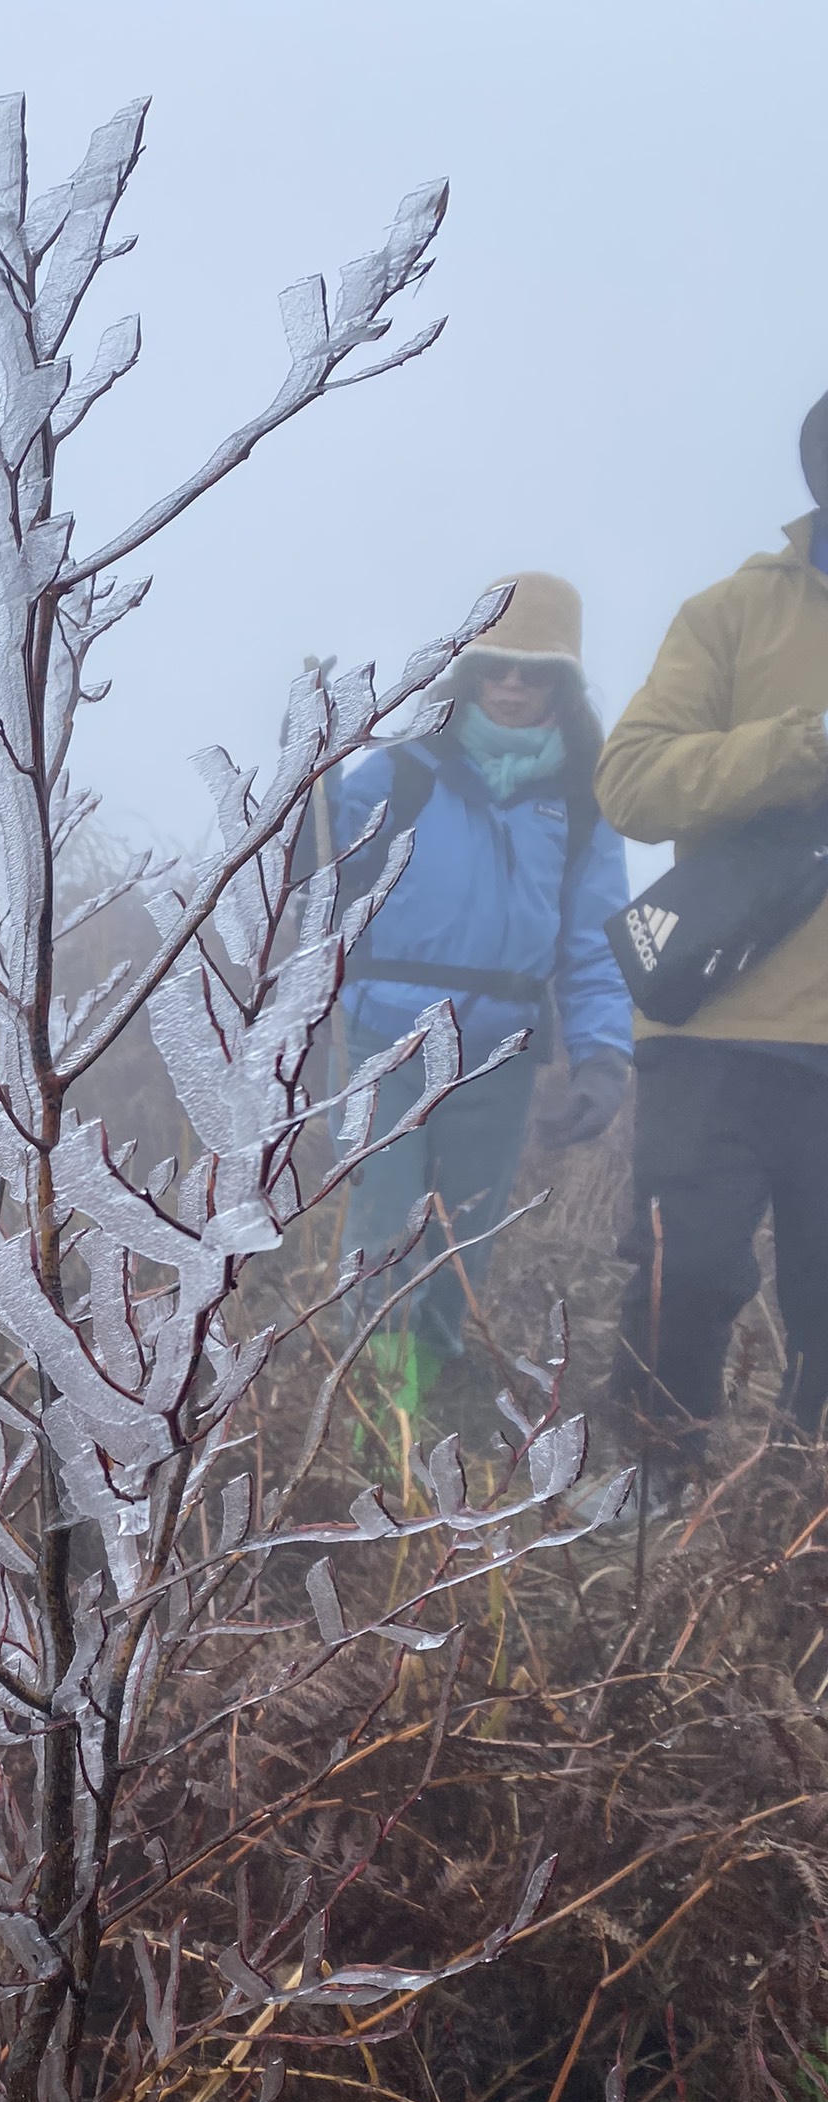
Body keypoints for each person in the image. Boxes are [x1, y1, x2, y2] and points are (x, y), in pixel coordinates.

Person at [325, 573, 633, 1408]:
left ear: (563, 684)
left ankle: (424, 1418)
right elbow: (314, 891)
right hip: (383, 1042)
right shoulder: (394, 776)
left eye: (536, 670)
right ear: (468, 671)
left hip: (501, 1055)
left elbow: (596, 947)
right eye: (496, 665)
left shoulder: (583, 803)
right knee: (387, 1239)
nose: (512, 683)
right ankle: (379, 1439)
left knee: (461, 1247)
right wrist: (300, 790)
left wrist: (604, 1056)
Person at [597, 398, 828, 1468]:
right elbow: (632, 785)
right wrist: (804, 746)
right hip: (718, 1024)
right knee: (683, 1275)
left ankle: (798, 1517)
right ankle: (650, 1485)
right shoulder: (730, 616)